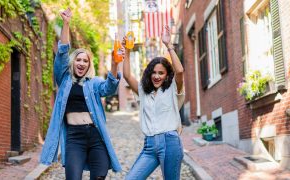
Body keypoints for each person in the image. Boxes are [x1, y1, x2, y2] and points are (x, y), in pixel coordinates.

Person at [39, 8, 122, 180]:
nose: (82, 63)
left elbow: (109, 88)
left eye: (85, 60)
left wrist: (115, 63)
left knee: (99, 176)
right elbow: (62, 52)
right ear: (73, 62)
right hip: (74, 138)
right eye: (78, 59)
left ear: (89, 65)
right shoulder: (64, 79)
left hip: (95, 136)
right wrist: (66, 23)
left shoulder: (94, 82)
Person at [123, 25, 185, 180]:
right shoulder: (144, 91)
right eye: (154, 72)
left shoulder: (172, 88)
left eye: (161, 73)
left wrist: (168, 45)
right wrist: (128, 50)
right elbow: (126, 76)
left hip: (170, 143)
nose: (157, 76)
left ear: (166, 75)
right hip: (149, 146)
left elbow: (180, 71)